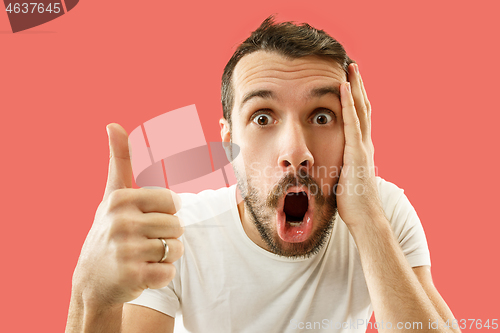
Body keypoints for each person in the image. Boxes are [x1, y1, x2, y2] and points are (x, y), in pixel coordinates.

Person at [66, 17, 460, 332]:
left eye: (322, 117)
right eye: (263, 117)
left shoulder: (383, 211)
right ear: (228, 141)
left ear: (356, 131)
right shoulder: (180, 232)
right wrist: (91, 294)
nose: (296, 152)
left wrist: (370, 220)